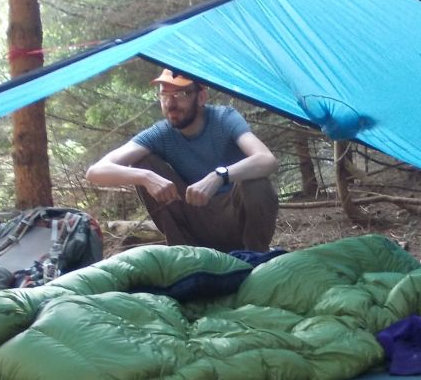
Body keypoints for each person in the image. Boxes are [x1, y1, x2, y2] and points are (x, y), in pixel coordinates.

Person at [86, 68, 280, 252]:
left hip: (235, 217)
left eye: (180, 95)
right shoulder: (160, 133)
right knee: (143, 163)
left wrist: (219, 176)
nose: (170, 104)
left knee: (256, 181)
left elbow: (266, 160)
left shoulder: (224, 118)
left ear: (201, 97)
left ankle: (256, 255)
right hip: (195, 220)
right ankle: (184, 254)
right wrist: (145, 176)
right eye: (164, 95)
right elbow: (96, 172)